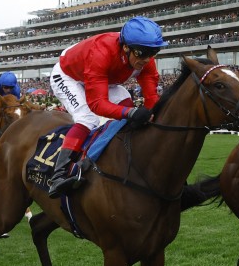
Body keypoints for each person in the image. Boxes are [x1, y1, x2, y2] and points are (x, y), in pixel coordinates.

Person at [46, 16, 166, 196]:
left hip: (101, 77)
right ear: (126, 47)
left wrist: (153, 115)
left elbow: (151, 97)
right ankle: (59, 175)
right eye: (141, 53)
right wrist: (131, 113)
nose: (147, 59)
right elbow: (97, 104)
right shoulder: (101, 52)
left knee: (125, 99)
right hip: (68, 76)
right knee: (87, 118)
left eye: (153, 53)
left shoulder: (143, 56)